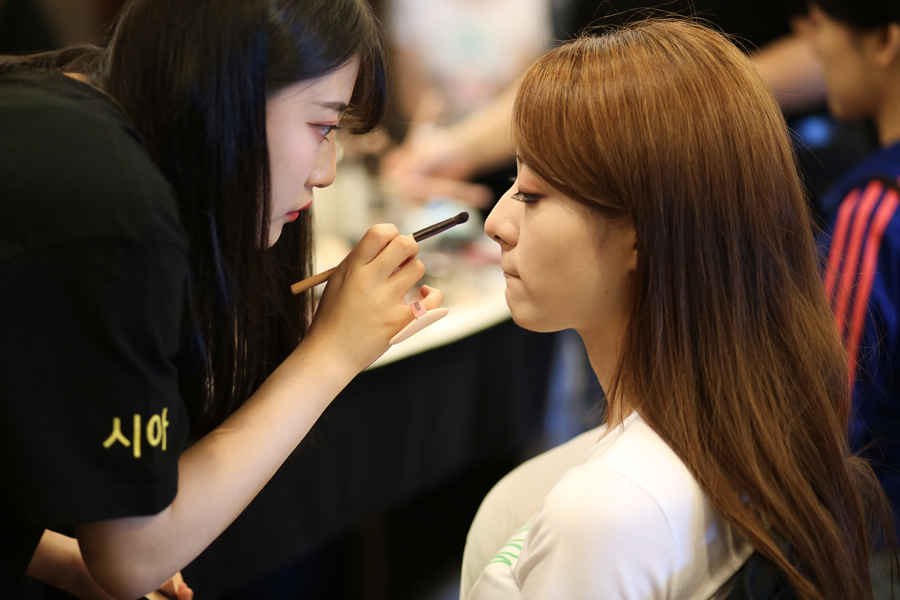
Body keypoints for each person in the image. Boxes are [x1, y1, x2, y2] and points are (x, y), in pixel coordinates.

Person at [0, 0, 444, 598]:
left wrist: (58, 559)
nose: (326, 171)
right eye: (323, 127)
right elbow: (133, 557)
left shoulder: (64, 102)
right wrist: (333, 352)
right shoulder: (113, 200)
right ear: (230, 91)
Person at [464, 18, 894, 600]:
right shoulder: (769, 427)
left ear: (643, 232)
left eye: (533, 195)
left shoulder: (601, 512)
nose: (497, 223)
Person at [807, 1, 900, 597]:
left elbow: (826, 412)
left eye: (820, 25)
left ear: (885, 40)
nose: (815, 47)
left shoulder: (876, 210)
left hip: (883, 542)